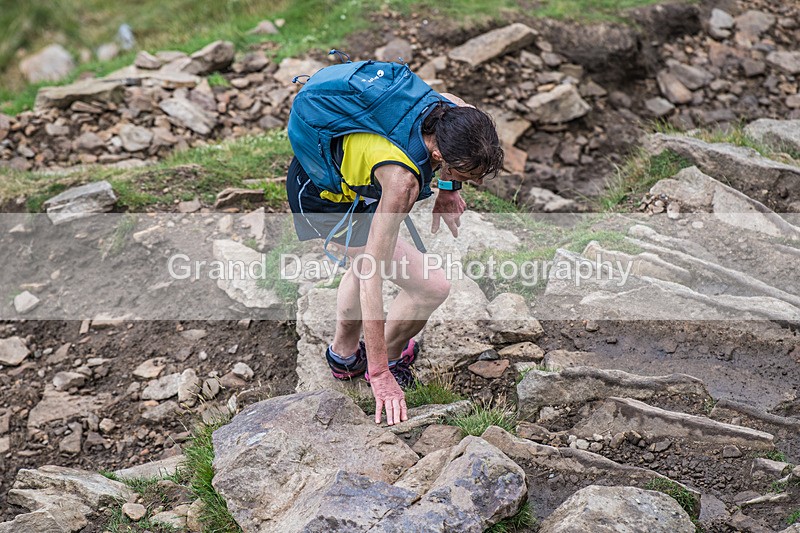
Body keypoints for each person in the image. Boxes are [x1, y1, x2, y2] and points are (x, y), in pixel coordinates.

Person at [286, 92, 503, 426]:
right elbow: (374, 273)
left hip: (338, 172)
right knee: (430, 287)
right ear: (437, 153)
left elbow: (463, 106)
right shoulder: (403, 183)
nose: (473, 181)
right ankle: (385, 355)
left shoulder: (452, 110)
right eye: (466, 173)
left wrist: (448, 188)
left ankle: (343, 355)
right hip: (326, 201)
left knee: (362, 262)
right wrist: (381, 373)